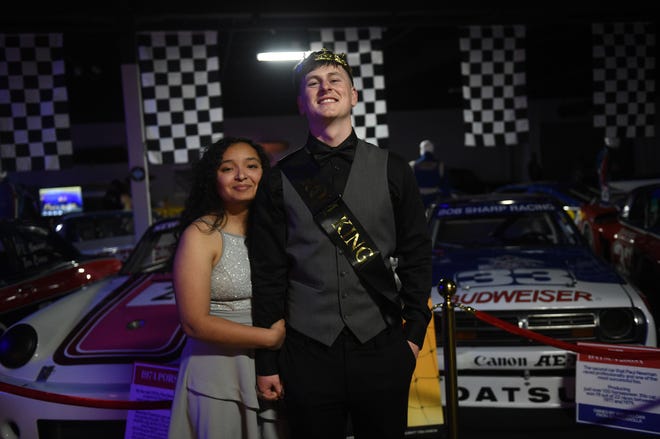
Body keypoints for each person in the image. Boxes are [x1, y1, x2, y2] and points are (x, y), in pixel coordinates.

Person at [249, 48, 432, 439]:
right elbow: (268, 272)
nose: (325, 87)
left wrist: (413, 336)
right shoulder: (278, 179)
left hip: (382, 347)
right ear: (301, 103)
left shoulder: (395, 169)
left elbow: (417, 255)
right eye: (312, 83)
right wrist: (267, 360)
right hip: (306, 352)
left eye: (335, 80)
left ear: (353, 96)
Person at [168, 137, 287, 439]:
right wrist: (270, 338)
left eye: (251, 166)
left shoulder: (278, 229)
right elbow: (194, 324)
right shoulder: (201, 235)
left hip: (274, 370)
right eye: (227, 168)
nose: (241, 175)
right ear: (213, 178)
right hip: (217, 375)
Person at [409, 139, 449, 206]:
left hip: (418, 202)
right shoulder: (441, 165)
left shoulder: (412, 165)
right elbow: (446, 186)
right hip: (435, 201)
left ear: (421, 150)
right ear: (432, 150)